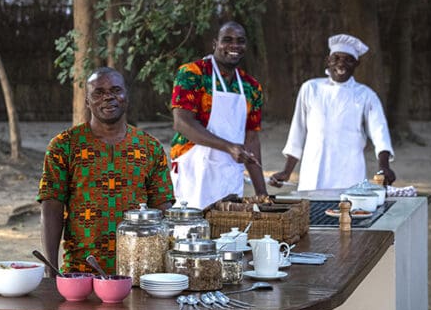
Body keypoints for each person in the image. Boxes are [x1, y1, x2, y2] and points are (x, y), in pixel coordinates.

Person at [38, 67, 174, 310]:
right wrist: (51, 266)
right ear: (87, 100)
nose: (107, 97)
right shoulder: (64, 146)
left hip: (136, 278)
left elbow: (164, 211)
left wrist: (165, 268)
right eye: (98, 92)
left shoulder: (150, 148)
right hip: (80, 277)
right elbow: (52, 205)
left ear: (127, 95)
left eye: (115, 90)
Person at [268, 33, 396, 191]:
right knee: (312, 213)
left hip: (350, 173)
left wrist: (384, 166)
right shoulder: (311, 89)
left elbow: (379, 132)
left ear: (357, 63)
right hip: (313, 172)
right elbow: (297, 132)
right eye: (336, 58)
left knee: (347, 213)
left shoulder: (365, 95)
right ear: (328, 61)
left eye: (348, 59)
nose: (341, 64)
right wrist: (287, 172)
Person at [170, 20, 268, 209]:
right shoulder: (192, 73)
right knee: (189, 231)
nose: (234, 46)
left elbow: (252, 138)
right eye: (227, 40)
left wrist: (262, 192)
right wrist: (228, 147)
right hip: (194, 168)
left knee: (229, 232)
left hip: (229, 172)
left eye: (240, 41)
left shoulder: (251, 87)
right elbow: (181, 123)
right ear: (215, 43)